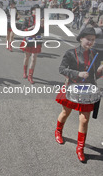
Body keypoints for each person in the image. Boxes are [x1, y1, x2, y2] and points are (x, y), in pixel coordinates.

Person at [55, 27, 103, 162]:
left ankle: (80, 148)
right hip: (71, 88)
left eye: (93, 40)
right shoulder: (71, 53)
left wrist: (101, 70)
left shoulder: (95, 54)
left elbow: (94, 76)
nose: (90, 42)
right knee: (65, 113)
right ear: (81, 38)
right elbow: (62, 69)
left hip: (87, 91)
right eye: (88, 39)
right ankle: (58, 131)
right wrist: (78, 74)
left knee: (84, 119)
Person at [20, 6, 44, 84]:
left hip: (37, 39)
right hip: (28, 38)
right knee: (27, 57)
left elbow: (43, 31)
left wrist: (42, 26)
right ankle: (25, 72)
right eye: (35, 10)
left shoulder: (40, 20)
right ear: (32, 11)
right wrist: (31, 28)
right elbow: (23, 29)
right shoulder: (27, 19)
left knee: (34, 58)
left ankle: (30, 76)